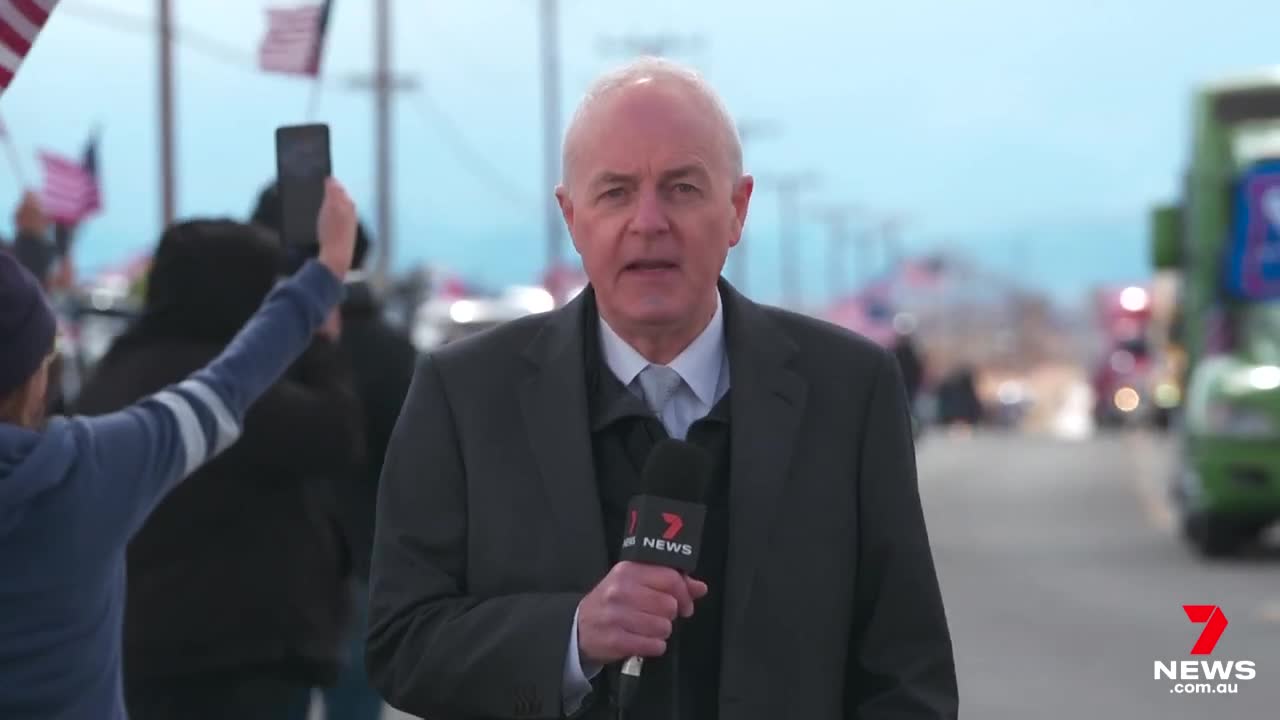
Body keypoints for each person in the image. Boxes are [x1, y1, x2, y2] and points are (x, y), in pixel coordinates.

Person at [365, 57, 957, 719]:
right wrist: (572, 635)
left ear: (737, 209)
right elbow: (401, 643)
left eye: (681, 188)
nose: (649, 221)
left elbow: (909, 673)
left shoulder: (849, 391)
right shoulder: (463, 396)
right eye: (615, 192)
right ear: (572, 216)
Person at [0, 178, 358, 720]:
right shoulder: (85, 468)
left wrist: (29, 250)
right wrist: (326, 272)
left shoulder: (107, 391)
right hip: (248, 665)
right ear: (33, 378)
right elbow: (231, 384)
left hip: (155, 664)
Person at [250, 181, 417, 720]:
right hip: (367, 567)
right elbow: (417, 473)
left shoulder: (250, 354)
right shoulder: (393, 351)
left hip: (267, 581)